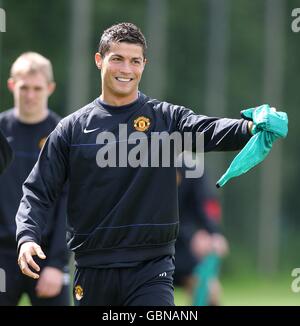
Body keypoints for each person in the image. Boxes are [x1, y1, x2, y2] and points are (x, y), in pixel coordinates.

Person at [15, 23, 284, 306]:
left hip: (151, 270)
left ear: (144, 65)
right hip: (92, 269)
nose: (126, 69)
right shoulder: (71, 130)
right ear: (99, 60)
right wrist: (27, 236)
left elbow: (210, 129)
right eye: (117, 58)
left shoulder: (166, 120)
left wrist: (252, 126)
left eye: (135, 61)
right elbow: (38, 191)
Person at [0, 52, 70, 306]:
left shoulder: (63, 136)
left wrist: (56, 263)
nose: (30, 95)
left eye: (37, 88)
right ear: (11, 85)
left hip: (46, 255)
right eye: (24, 87)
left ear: (50, 88)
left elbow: (68, 204)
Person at [174, 161, 228, 306]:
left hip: (183, 246)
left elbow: (207, 204)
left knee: (210, 292)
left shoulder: (191, 167)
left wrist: (214, 234)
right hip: (145, 247)